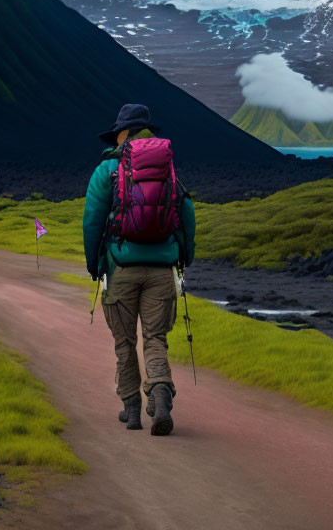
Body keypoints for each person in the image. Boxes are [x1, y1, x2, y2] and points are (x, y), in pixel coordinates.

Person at [83, 104, 196, 436]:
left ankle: (131, 408)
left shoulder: (107, 170)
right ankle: (160, 390)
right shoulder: (167, 168)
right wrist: (183, 257)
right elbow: (185, 211)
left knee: (124, 340)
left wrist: (95, 264)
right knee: (155, 337)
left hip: (120, 270)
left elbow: (92, 220)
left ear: (121, 133)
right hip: (162, 270)